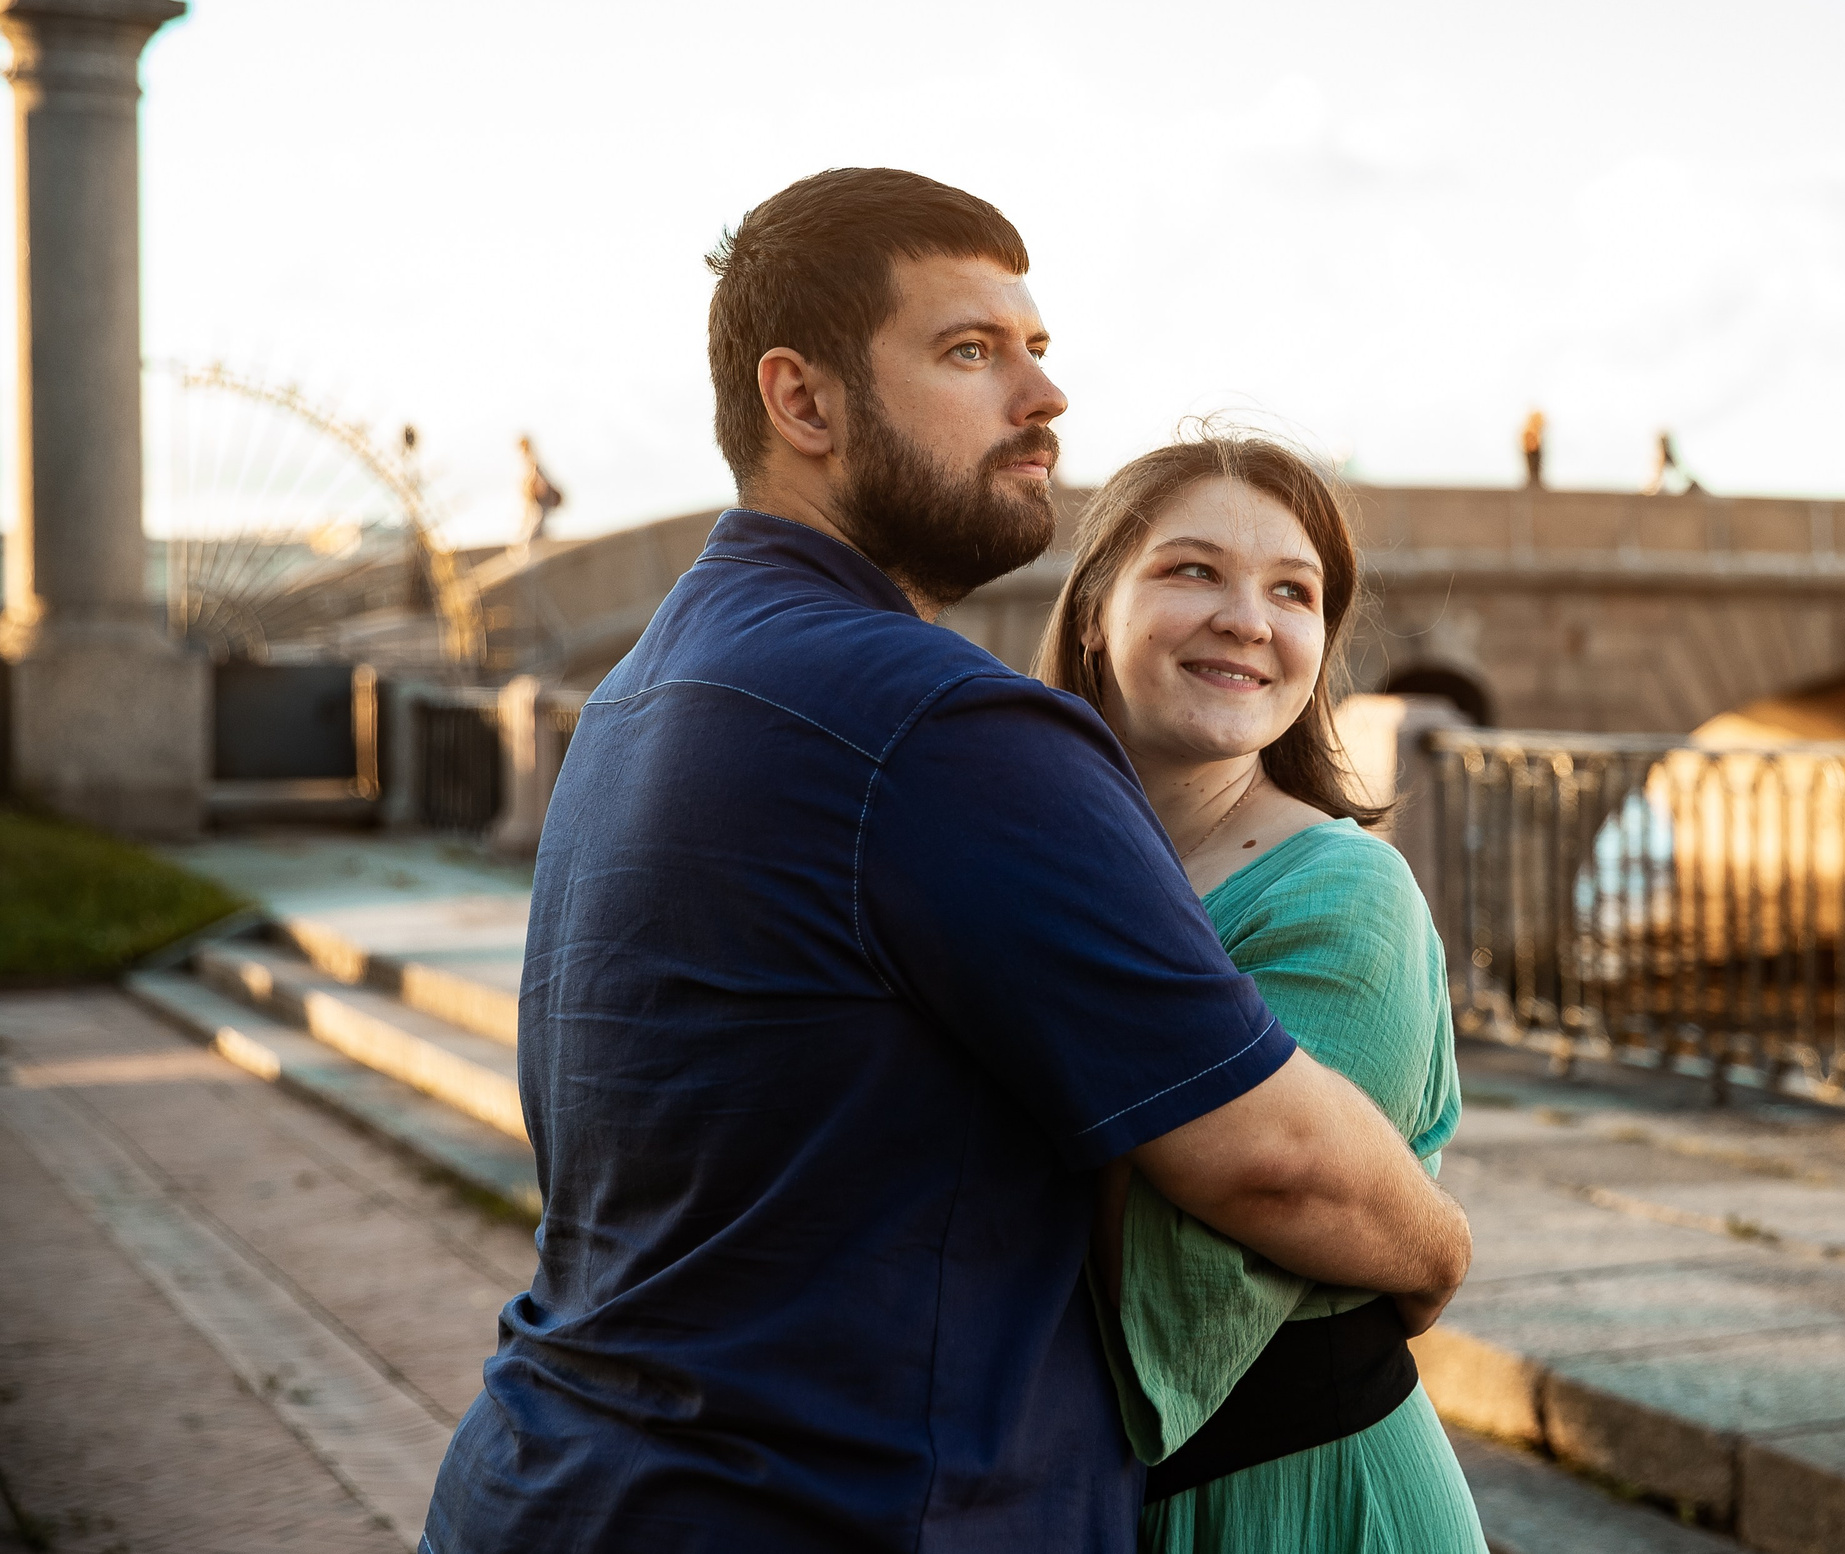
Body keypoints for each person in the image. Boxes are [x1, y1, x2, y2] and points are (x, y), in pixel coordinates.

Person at [420, 169, 1471, 1553]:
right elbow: (1278, 1162)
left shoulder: (650, 685)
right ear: (805, 403)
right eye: (973, 352)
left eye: (1038, 350)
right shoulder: (934, 725)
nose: (1044, 398)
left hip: (566, 1475)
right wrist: (1442, 1246)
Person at [1035, 435, 1487, 1552]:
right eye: (1192, 570)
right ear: (1095, 608)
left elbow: (1258, 1195)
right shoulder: (1024, 858)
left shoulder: (1346, 891)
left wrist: (1425, 1240)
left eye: (1292, 590)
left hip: (1302, 1498)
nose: (1247, 617)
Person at [516, 434, 563, 548]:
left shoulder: (533, 464)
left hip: (539, 503)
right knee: (535, 528)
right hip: (538, 504)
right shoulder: (533, 463)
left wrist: (534, 490)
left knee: (534, 533)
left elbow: (541, 486)